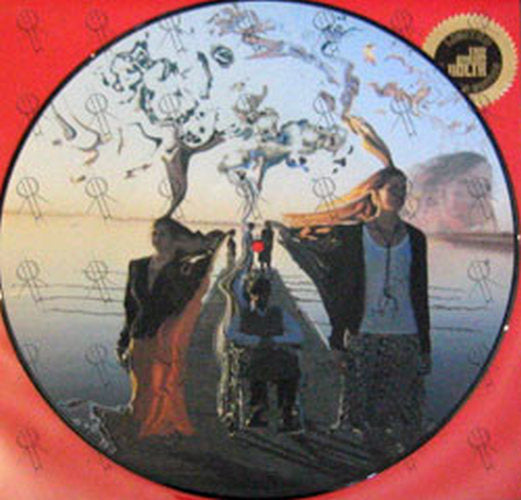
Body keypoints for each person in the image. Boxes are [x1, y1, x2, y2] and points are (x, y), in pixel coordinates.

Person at [278, 166, 430, 461]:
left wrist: (425, 346)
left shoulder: (416, 238)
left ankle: (399, 469)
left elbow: (419, 293)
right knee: (360, 413)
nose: (400, 194)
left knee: (404, 416)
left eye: (403, 188)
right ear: (374, 193)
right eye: (393, 188)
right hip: (364, 334)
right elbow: (340, 291)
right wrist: (337, 340)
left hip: (406, 336)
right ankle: (371, 467)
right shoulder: (352, 236)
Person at [116, 217, 224, 439]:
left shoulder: (183, 269)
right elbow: (130, 307)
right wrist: (124, 340)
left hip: (165, 336)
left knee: (162, 385)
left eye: (163, 234)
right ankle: (141, 422)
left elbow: (191, 290)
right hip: (140, 334)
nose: (157, 238)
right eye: (154, 233)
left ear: (175, 239)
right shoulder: (137, 266)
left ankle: (159, 428)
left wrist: (210, 251)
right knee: (142, 384)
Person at [226, 274, 303, 433]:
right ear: (251, 295)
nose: (261, 298)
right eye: (257, 294)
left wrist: (274, 340)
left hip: (274, 355)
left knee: (289, 368)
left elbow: (298, 335)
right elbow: (231, 334)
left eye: (264, 294)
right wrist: (256, 341)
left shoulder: (278, 313)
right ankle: (258, 411)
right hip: (254, 356)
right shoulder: (243, 315)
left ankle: (286, 412)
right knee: (257, 366)